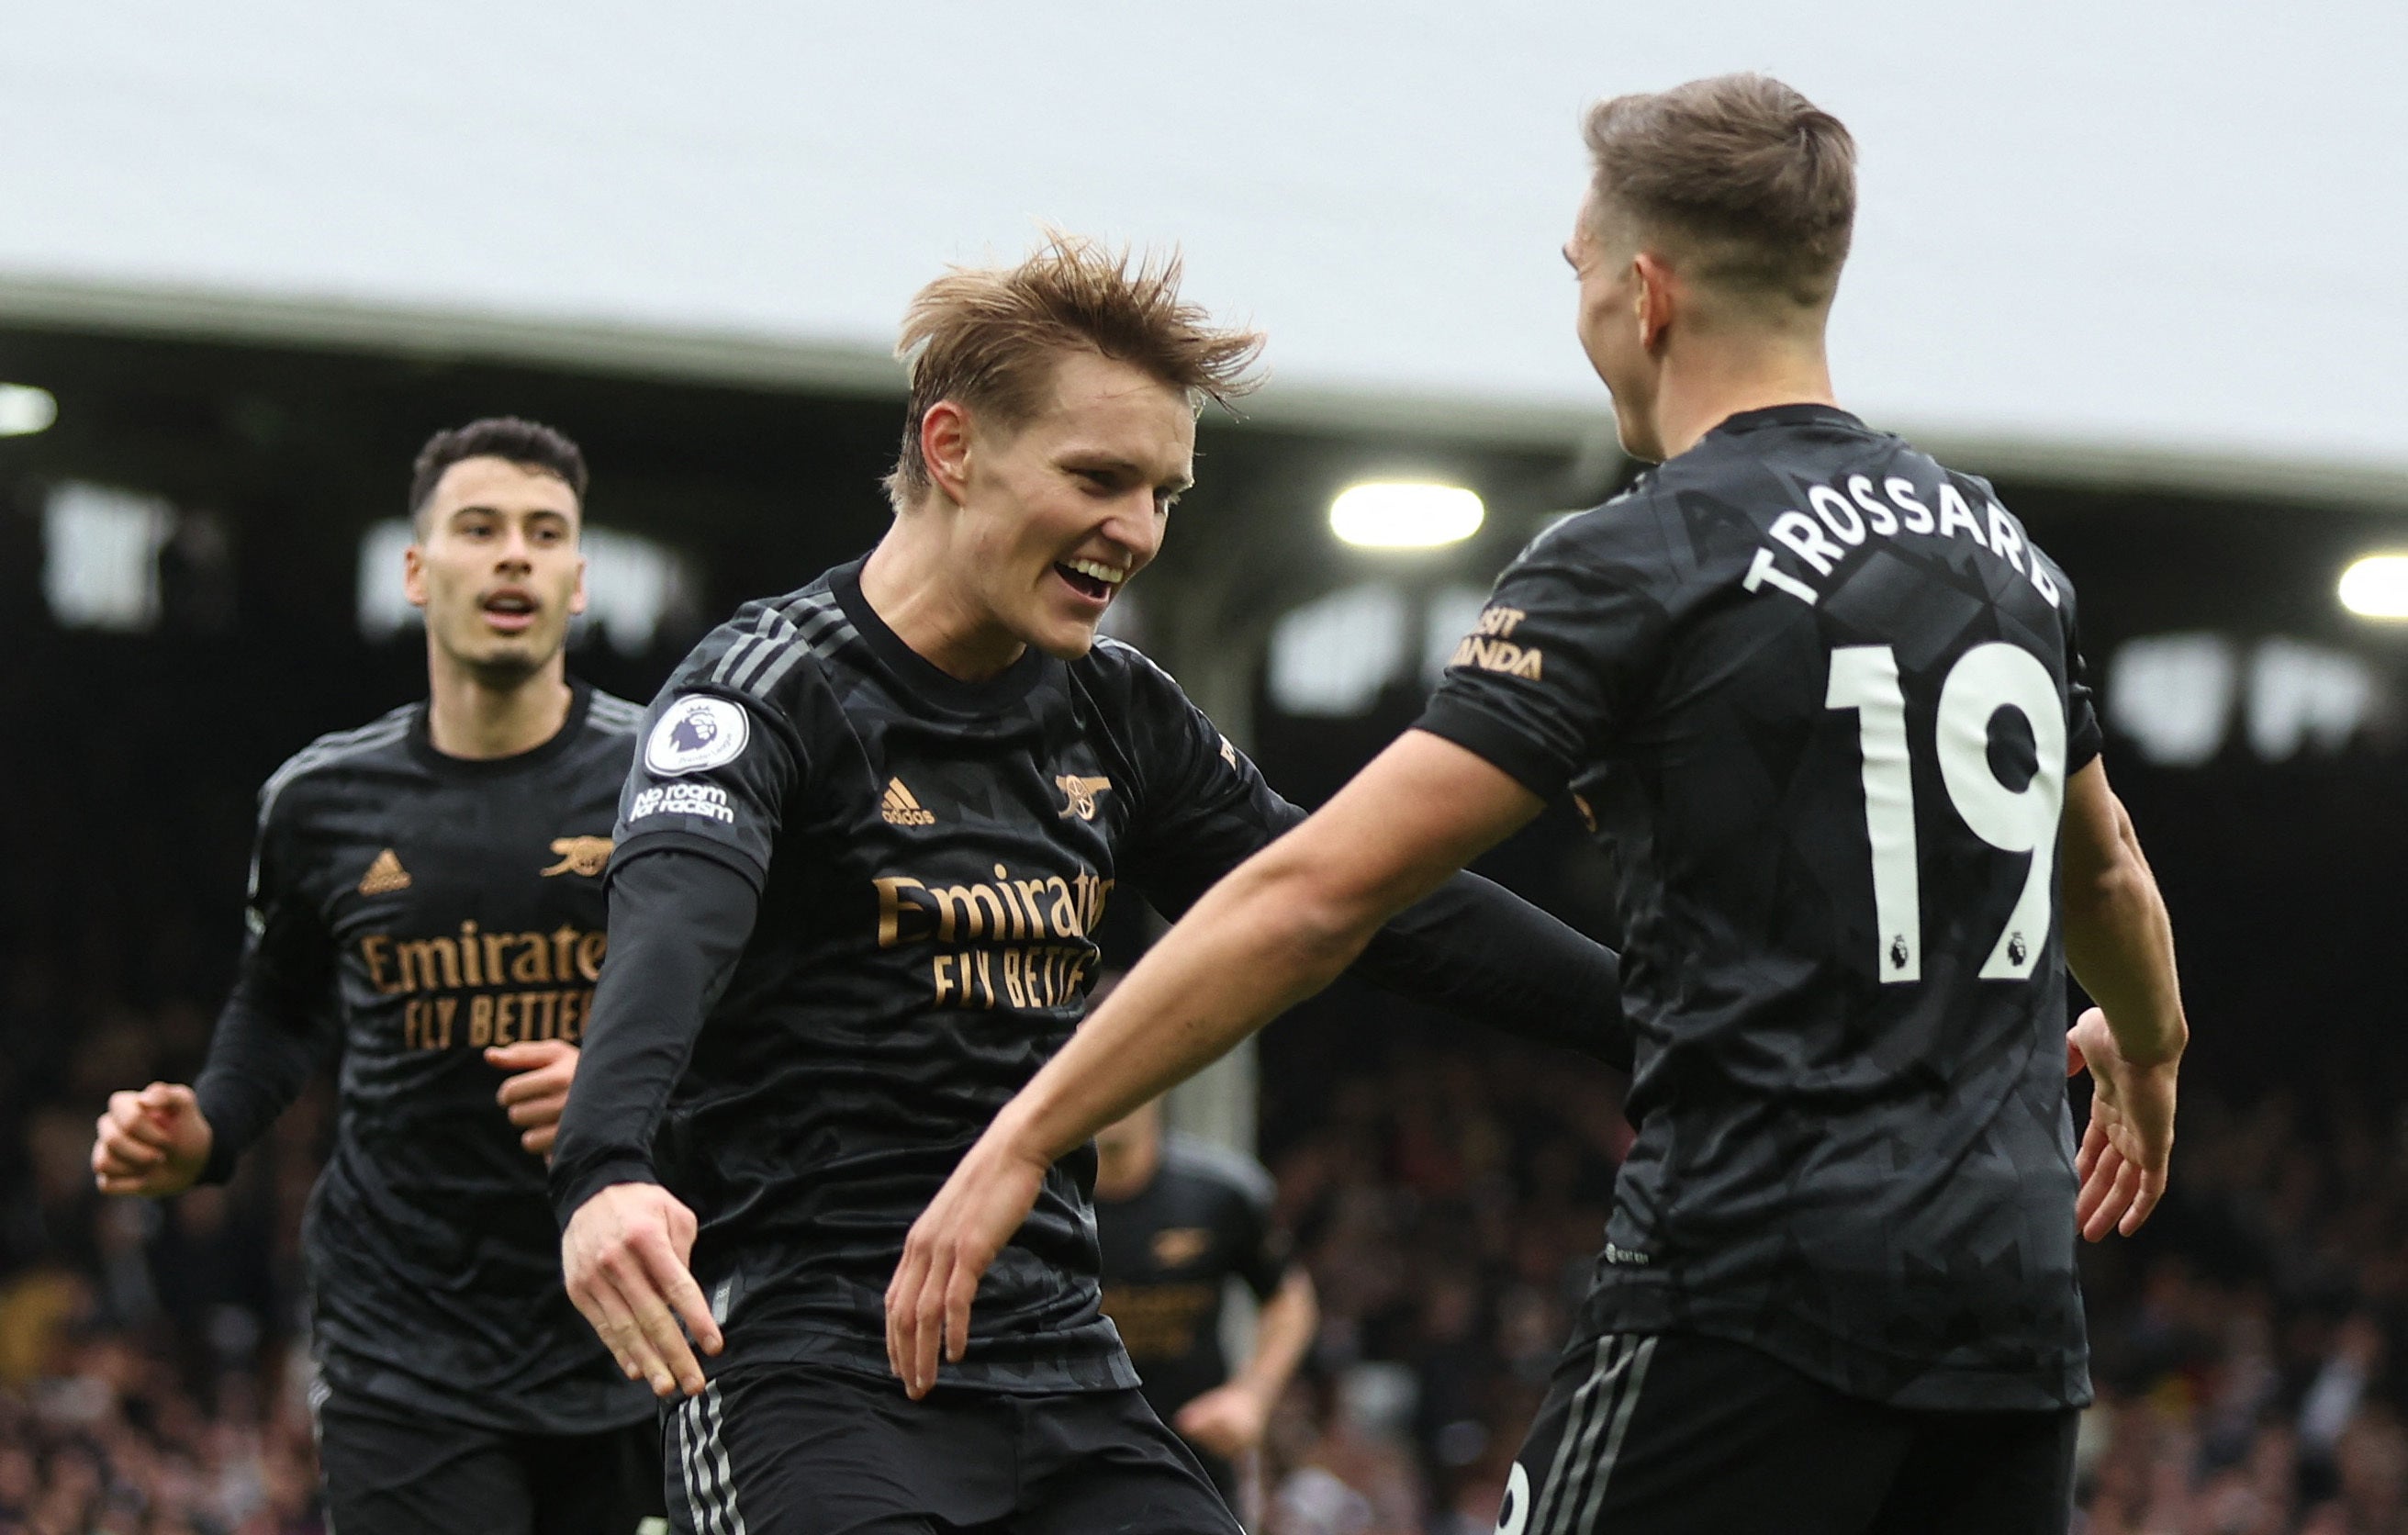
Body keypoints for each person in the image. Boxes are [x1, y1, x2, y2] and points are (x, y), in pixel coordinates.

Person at [889, 76, 2190, 1535]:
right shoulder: (1997, 553)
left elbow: (1318, 892)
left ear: (1643, 295)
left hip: (1747, 1293)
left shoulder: (1643, 557)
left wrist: (1017, 1136)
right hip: (2009, 1319)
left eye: (1575, 272)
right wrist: (2146, 1045)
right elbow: (2110, 870)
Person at [546, 234, 1630, 1535]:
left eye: (1164, 492)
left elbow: (1359, 896)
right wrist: (601, 1165)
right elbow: (672, 925)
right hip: (805, 1360)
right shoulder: (766, 690)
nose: (1136, 531)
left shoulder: (1116, 713)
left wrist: (1661, 1019)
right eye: (1098, 478)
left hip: (1059, 1359)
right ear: (950, 449)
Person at [89, 420, 666, 1535]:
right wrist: (206, 1127)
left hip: (632, 1326)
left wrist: (631, 1089)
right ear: (416, 569)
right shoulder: (318, 802)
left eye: (545, 534)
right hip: (405, 1344)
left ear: (578, 579)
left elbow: (763, 1010)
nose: (514, 555)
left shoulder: (670, 784)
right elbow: (281, 1001)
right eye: (480, 528)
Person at [1092, 1061, 1317, 1520]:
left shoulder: (1223, 1195)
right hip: (1071, 1459)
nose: (1111, 1092)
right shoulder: (1032, 1200)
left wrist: (1251, 1396)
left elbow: (1289, 1299)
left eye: (1122, 1069)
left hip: (1194, 1459)